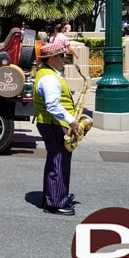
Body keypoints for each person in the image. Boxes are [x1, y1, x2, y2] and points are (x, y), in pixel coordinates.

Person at [33, 42, 80, 216]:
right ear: (51, 58)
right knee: (59, 160)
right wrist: (71, 120)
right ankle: (55, 202)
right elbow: (52, 105)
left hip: (52, 123)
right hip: (54, 123)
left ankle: (51, 197)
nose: (64, 59)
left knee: (55, 159)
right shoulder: (49, 78)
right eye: (61, 56)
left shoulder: (48, 73)